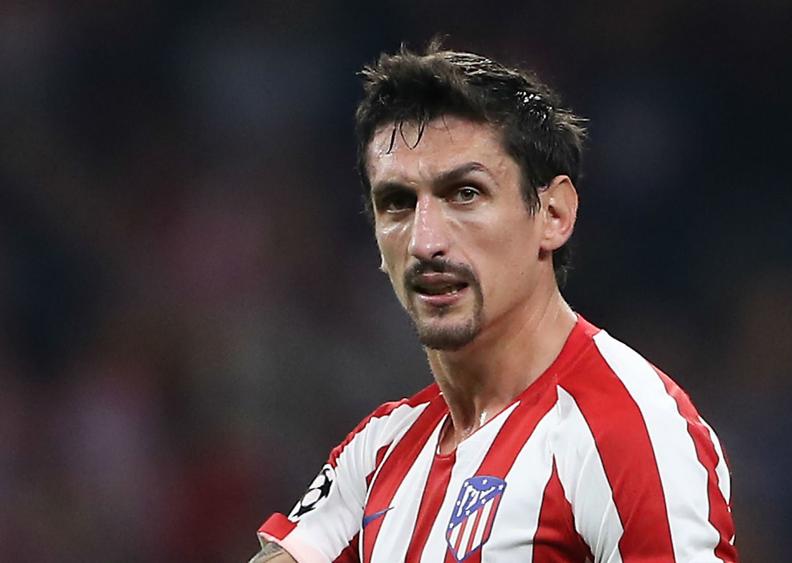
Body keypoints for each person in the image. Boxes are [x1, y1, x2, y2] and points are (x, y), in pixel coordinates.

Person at [249, 42, 738, 563]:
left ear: (553, 214)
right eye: (397, 203)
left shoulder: (630, 431)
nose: (425, 242)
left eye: (465, 193)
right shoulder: (380, 450)